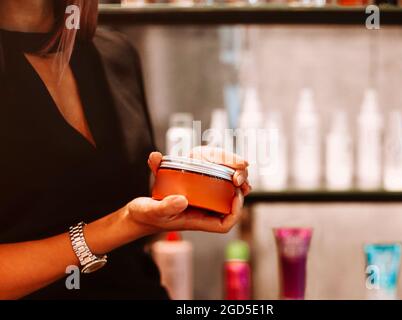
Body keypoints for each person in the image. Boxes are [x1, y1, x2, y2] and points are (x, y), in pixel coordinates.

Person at [0, 0, 251, 300]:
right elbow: (125, 220)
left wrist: (190, 184)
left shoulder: (114, 53)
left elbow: (130, 206)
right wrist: (122, 225)